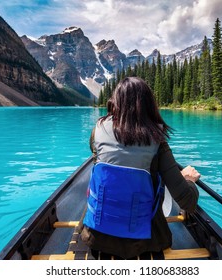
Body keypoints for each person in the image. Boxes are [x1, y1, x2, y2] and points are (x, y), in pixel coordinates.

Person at [81, 77, 200, 259]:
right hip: (145, 242)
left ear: (115, 102)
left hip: (97, 237)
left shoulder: (97, 130)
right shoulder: (157, 141)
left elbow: (97, 156)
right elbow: (188, 203)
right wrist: (189, 180)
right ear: (148, 105)